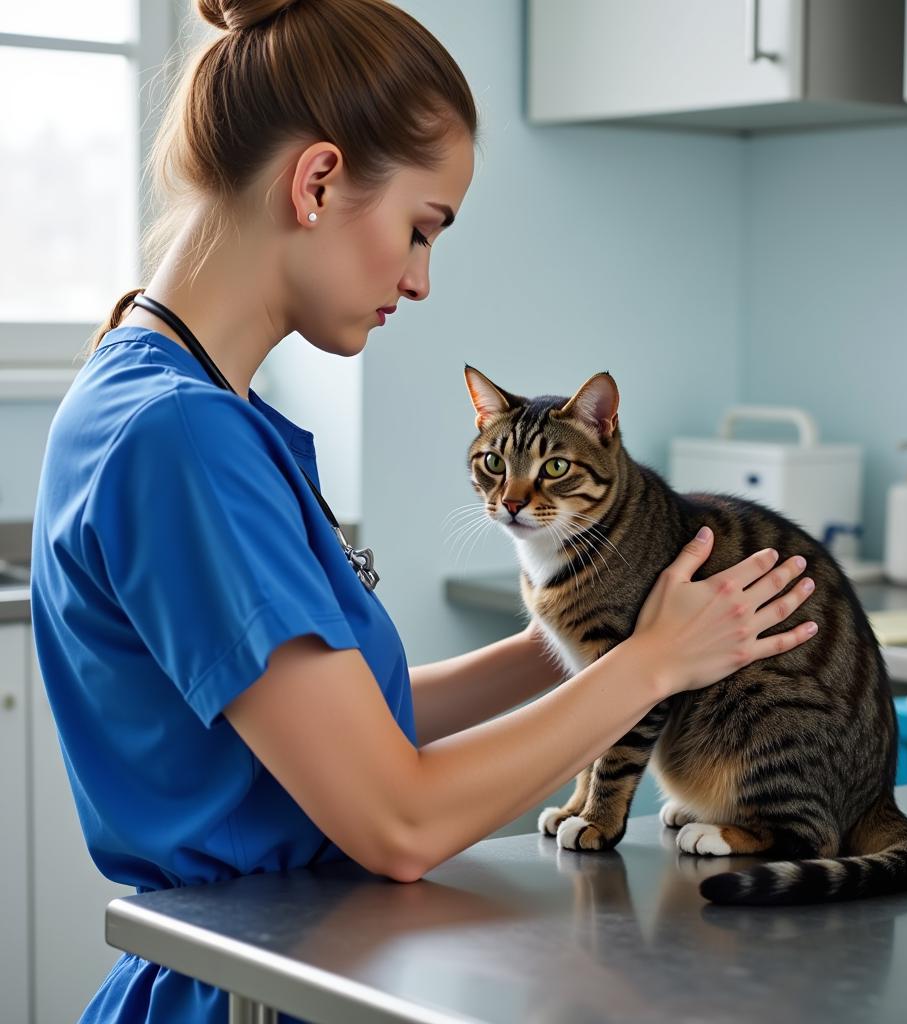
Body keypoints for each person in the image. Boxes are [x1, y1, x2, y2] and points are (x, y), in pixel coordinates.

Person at [29, 1, 819, 1021]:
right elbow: (397, 817)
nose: (420, 278)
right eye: (419, 228)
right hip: (244, 992)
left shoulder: (171, 395)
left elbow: (358, 722)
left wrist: (599, 631)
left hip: (286, 959)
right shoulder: (183, 440)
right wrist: (648, 666)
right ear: (316, 183)